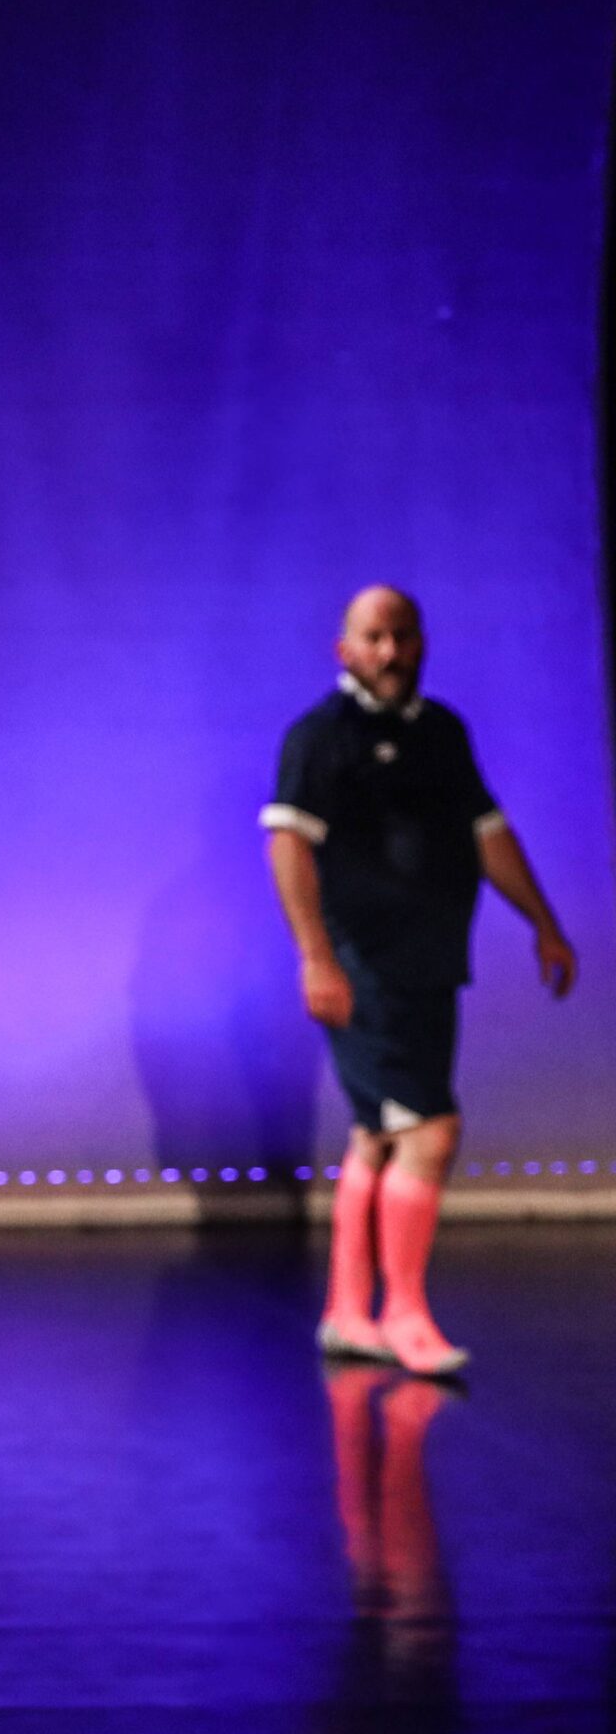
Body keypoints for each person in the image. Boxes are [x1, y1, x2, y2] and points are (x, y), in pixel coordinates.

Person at [263, 585, 575, 1377]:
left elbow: (486, 830)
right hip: (362, 968)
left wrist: (542, 920)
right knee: (430, 1132)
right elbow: (289, 846)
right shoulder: (321, 737)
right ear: (345, 651)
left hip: (430, 963)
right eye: (375, 637)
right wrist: (315, 957)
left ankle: (346, 1311)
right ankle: (403, 1314)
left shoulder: (442, 733)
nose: (391, 651)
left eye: (403, 635)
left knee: (379, 1134)